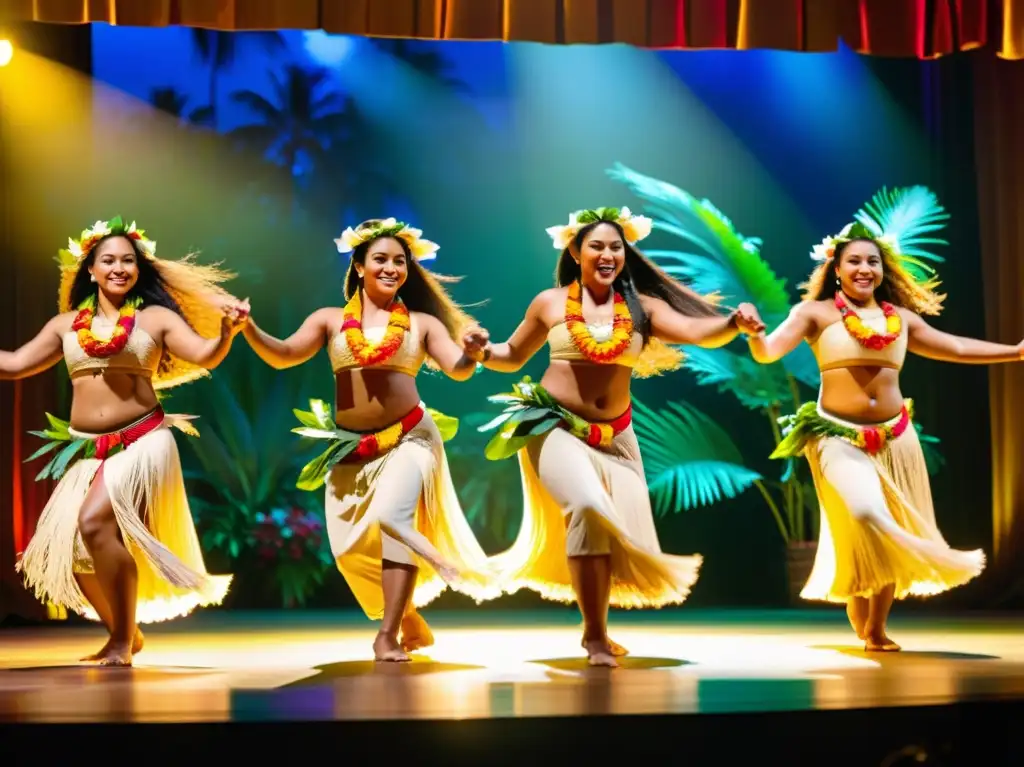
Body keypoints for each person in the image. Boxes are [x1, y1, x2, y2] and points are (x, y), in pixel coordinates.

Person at [466, 206, 764, 666]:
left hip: (617, 437)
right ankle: (594, 636)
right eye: (596, 246)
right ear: (574, 250)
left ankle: (598, 629)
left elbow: (694, 331)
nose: (607, 254)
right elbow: (510, 355)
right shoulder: (550, 303)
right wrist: (482, 351)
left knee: (607, 527)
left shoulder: (643, 309)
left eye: (615, 246)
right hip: (553, 425)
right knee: (586, 505)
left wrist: (732, 324)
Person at [748, 215, 1022, 652]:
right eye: (853, 261)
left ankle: (876, 626)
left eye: (872, 261)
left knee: (891, 520)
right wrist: (756, 337)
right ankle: (858, 588)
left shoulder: (902, 320)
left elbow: (954, 347)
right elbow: (768, 353)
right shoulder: (813, 313)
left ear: (883, 269)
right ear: (835, 268)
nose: (863, 269)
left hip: (896, 436)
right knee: (864, 513)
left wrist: (1015, 352)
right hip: (836, 434)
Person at [242, 218, 500, 662]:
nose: (391, 268)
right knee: (346, 551)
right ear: (358, 266)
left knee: (392, 519)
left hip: (411, 439)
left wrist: (473, 354)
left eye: (400, 261)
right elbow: (283, 355)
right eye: (380, 259)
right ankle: (407, 613)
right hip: (351, 448)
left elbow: (457, 368)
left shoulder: (420, 324)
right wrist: (247, 327)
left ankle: (387, 633)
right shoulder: (329, 320)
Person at [8, 216, 247, 666]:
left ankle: (120, 641)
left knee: (94, 523)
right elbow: (17, 362)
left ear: (139, 268)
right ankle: (126, 632)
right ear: (90, 270)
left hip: (142, 441)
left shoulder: (154, 319)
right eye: (108, 260)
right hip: (86, 448)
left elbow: (203, 354)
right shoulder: (65, 326)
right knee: (69, 553)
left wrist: (225, 333)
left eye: (128, 260)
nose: (119, 268)